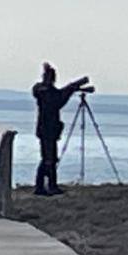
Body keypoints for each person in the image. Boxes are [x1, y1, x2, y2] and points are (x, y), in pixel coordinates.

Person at [32, 63, 90, 196]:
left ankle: (47, 186)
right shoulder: (43, 91)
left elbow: (58, 96)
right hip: (47, 130)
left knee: (50, 158)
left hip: (49, 130)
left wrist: (72, 88)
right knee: (48, 159)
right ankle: (45, 186)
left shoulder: (46, 91)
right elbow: (57, 100)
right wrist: (71, 88)